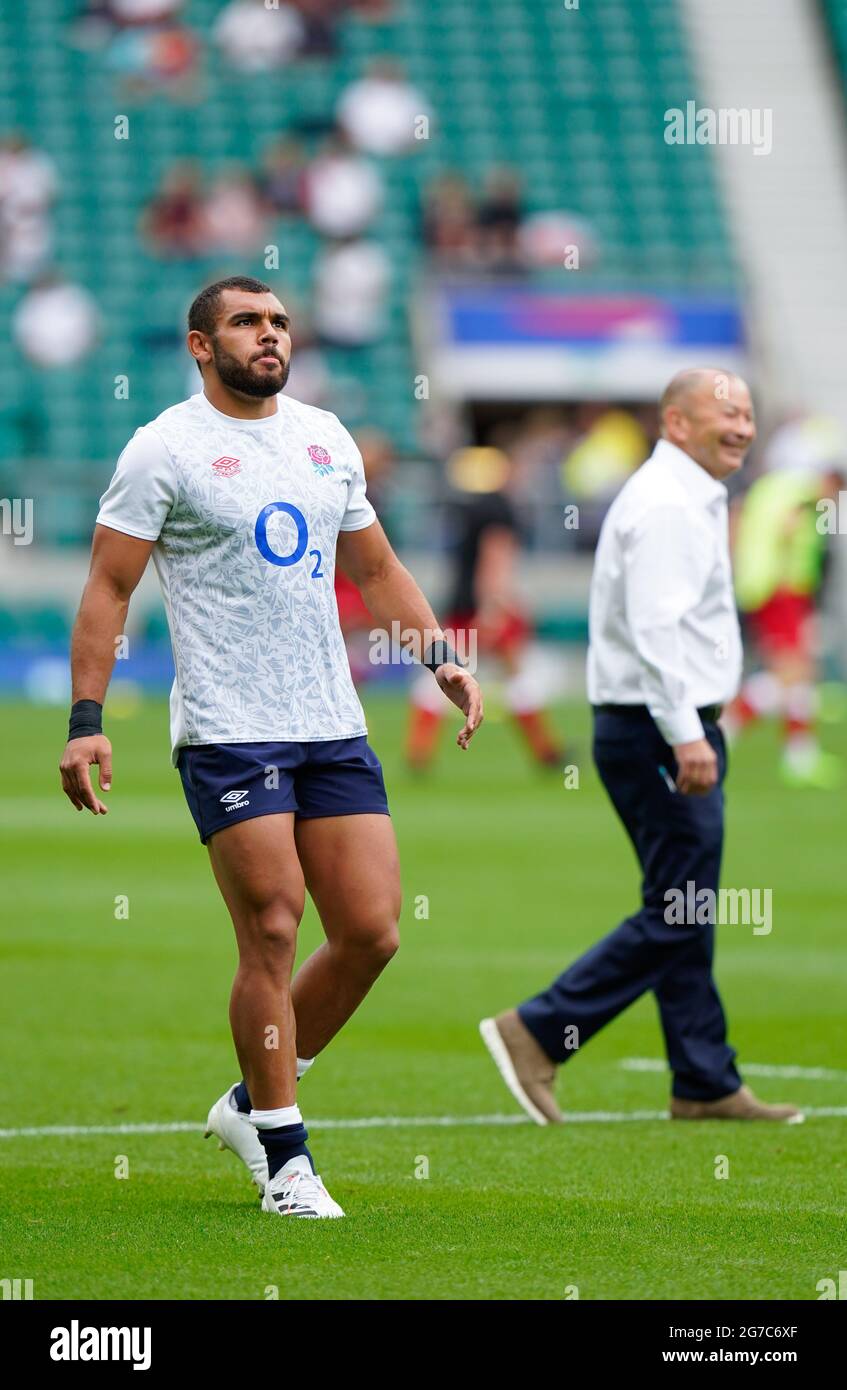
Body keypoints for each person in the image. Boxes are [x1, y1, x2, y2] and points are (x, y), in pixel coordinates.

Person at [59, 275, 483, 1219]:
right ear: (201, 345)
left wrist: (440, 658)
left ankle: (252, 1102)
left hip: (330, 722)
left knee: (371, 932)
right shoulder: (161, 448)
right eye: (247, 323)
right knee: (274, 928)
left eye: (280, 321)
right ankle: (287, 1163)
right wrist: (87, 724)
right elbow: (106, 590)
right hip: (228, 727)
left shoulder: (325, 436)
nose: (270, 336)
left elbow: (373, 567)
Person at [480, 368, 800, 1125]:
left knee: (681, 904)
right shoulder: (665, 506)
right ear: (675, 423)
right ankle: (536, 1031)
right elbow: (656, 627)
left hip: (656, 722)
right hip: (658, 726)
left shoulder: (684, 495)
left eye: (749, 413)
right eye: (726, 412)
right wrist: (687, 731)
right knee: (681, 907)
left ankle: (702, 1079)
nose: (743, 427)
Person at [406, 445, 564, 770]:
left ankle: (546, 752)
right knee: (486, 676)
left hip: (463, 605)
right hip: (482, 609)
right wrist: (495, 608)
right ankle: (545, 752)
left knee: (482, 675)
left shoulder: (464, 509)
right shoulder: (498, 507)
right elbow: (495, 557)